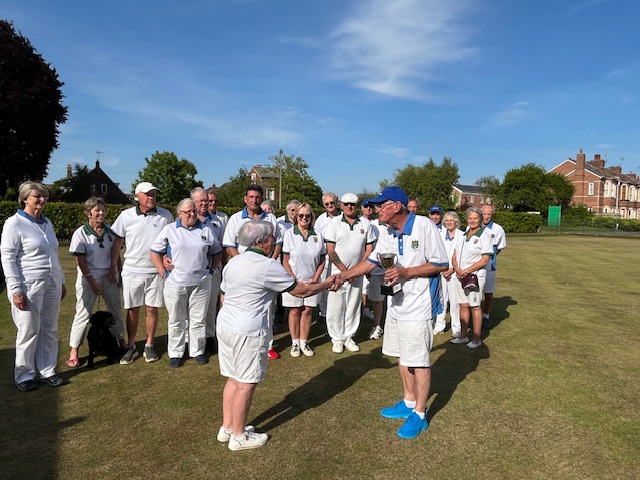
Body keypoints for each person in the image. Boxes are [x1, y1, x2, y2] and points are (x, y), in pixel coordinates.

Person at [216, 220, 339, 451]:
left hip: (226, 325)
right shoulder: (266, 265)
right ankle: (239, 436)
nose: (274, 241)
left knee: (233, 377)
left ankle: (228, 428)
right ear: (260, 242)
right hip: (247, 329)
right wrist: (328, 283)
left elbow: (223, 295)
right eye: (271, 237)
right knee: (246, 382)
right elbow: (301, 291)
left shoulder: (234, 262)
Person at [341, 186, 448, 439]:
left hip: (419, 305)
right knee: (401, 355)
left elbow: (441, 263)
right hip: (397, 304)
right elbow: (372, 262)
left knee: (419, 361)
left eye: (381, 205)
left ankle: (420, 414)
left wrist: (406, 272)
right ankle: (409, 401)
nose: (376, 209)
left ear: (396, 206)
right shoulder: (388, 232)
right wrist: (343, 275)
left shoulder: (423, 226)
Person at [1, 181, 67, 391]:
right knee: (28, 330)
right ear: (25, 199)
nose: (41, 200)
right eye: (37, 196)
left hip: (51, 283)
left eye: (44, 196)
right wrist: (15, 290)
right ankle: (25, 375)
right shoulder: (14, 223)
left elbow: (53, 255)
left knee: (49, 329)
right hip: (29, 285)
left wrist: (62, 280)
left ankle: (48, 370)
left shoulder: (47, 223)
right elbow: (8, 258)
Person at [151, 198, 222, 367]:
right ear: (179, 214)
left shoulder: (205, 230)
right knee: (176, 318)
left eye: (194, 211)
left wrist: (211, 270)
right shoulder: (170, 230)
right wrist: (163, 271)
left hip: (201, 282)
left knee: (198, 319)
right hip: (176, 282)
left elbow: (217, 251)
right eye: (188, 212)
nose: (192, 214)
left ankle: (197, 351)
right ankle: (176, 352)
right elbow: (155, 251)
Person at [110, 182, 174, 364]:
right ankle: (131, 346)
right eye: (148, 194)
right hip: (132, 271)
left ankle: (149, 344)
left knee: (152, 309)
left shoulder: (165, 215)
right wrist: (112, 267)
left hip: (155, 272)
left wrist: (165, 258)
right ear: (137, 196)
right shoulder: (125, 216)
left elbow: (171, 241)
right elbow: (116, 244)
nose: (151, 197)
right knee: (132, 310)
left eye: (153, 193)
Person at [222, 184, 283, 359]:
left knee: (267, 309)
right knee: (243, 308)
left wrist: (271, 261)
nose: (254, 200)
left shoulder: (270, 218)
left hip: (264, 271)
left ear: (261, 198)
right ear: (245, 199)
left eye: (257, 197)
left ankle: (266, 346)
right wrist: (241, 262)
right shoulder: (235, 219)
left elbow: (278, 242)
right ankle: (241, 344)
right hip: (242, 272)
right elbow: (229, 245)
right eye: (251, 197)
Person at [67, 197, 125, 367]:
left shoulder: (111, 232)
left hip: (110, 277)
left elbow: (116, 255)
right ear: (88, 213)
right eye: (97, 210)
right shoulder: (80, 233)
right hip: (88, 278)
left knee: (115, 311)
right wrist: (92, 282)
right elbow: (81, 261)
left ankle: (122, 343)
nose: (101, 213)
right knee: (83, 314)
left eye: (103, 210)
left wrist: (118, 272)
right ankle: (74, 351)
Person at [324, 193, 376, 353]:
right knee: (336, 306)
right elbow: (330, 250)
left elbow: (369, 249)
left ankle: (349, 337)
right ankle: (337, 338)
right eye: (346, 204)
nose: (349, 207)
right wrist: (346, 272)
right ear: (341, 205)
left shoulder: (365, 224)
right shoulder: (334, 223)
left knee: (353, 305)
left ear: (357, 205)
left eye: (352, 204)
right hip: (337, 273)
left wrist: (357, 270)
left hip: (358, 274)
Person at [281, 203, 325, 357]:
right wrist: (294, 279)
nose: (304, 218)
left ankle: (304, 342)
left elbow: (322, 259)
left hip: (312, 281)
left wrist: (315, 278)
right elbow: (285, 260)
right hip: (294, 281)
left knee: (307, 311)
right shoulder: (289, 234)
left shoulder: (317, 235)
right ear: (296, 216)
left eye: (307, 215)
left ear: (311, 217)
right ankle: (294, 343)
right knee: (294, 311)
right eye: (301, 215)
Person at [450, 207, 493, 349]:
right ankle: (463, 336)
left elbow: (484, 260)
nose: (472, 221)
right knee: (463, 305)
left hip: (474, 277)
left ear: (480, 219)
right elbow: (454, 256)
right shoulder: (463, 236)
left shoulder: (485, 236)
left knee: (475, 306)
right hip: (459, 275)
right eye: (470, 218)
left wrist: (467, 271)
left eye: (475, 218)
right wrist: (457, 269)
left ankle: (476, 338)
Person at [192, 187, 225, 352]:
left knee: (212, 305)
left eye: (207, 200)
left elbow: (221, 247)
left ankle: (209, 336)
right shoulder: (185, 219)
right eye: (201, 201)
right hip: (193, 271)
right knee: (194, 307)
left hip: (213, 270)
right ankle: (191, 340)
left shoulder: (216, 221)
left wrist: (222, 268)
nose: (205, 203)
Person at [433, 211, 464, 337]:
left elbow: (461, 255)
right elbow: (437, 253)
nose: (449, 223)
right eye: (447, 221)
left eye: (452, 220)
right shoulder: (439, 235)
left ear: (456, 222)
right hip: (442, 272)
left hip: (455, 273)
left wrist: (451, 269)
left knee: (455, 301)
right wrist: (443, 269)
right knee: (441, 299)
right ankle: (440, 325)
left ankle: (456, 327)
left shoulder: (462, 236)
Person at [313, 192, 341, 322]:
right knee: (325, 284)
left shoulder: (342, 217)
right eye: (327, 204)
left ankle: (338, 311)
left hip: (340, 257)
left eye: (332, 203)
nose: (330, 205)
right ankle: (323, 312)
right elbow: (316, 238)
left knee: (339, 284)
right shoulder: (320, 219)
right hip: (326, 257)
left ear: (336, 202)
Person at [360, 199, 385, 340]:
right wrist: (367, 268)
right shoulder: (371, 225)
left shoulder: (395, 226)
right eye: (378, 208)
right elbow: (368, 247)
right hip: (375, 270)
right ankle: (376, 326)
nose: (379, 210)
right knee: (377, 300)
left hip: (393, 270)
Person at [481, 204, 507, 329]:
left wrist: (487, 258)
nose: (486, 217)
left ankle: (485, 316)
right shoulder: (473, 226)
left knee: (488, 293)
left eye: (488, 215)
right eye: (484, 214)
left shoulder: (498, 229)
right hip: (474, 266)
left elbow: (499, 248)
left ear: (492, 215)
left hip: (489, 266)